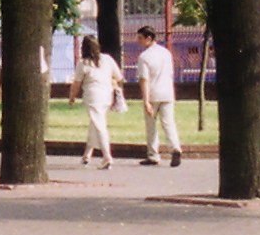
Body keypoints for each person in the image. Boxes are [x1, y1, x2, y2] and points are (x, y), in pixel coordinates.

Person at [68, 35, 124, 170]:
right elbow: (119, 77)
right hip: (107, 96)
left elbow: (76, 84)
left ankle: (107, 157)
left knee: (99, 126)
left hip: (93, 97)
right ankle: (87, 154)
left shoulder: (83, 63)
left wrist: (72, 97)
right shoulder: (108, 59)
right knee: (95, 123)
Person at [134, 25, 182, 167]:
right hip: (167, 92)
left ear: (149, 38)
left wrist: (146, 101)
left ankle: (153, 154)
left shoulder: (144, 57)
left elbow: (144, 79)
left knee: (151, 125)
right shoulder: (166, 53)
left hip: (153, 94)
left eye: (140, 38)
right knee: (168, 123)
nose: (138, 41)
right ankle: (175, 148)